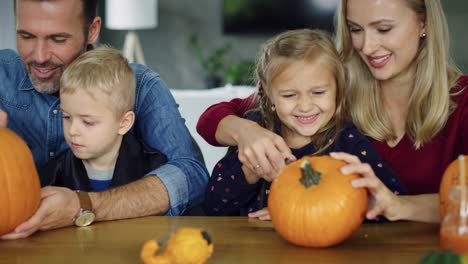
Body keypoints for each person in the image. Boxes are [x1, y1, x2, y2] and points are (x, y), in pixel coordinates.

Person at [197, 0, 467, 222]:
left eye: (383, 29)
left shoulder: (462, 100)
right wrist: (246, 131)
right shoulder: (330, 88)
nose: (366, 46)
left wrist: (400, 206)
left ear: (424, 23)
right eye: (355, 29)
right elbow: (212, 119)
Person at [0, 0, 208, 239]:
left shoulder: (139, 86)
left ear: (92, 30)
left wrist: (86, 205)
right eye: (26, 36)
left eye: (58, 39)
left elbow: (191, 175)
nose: (39, 56)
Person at [202, 29, 407, 219]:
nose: (305, 106)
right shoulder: (255, 129)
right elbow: (213, 206)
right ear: (268, 91)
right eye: (289, 95)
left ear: (338, 87)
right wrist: (249, 172)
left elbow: (389, 204)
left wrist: (300, 213)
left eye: (318, 92)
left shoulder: (348, 142)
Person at [40, 47, 167, 193]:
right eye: (66, 117)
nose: (72, 130)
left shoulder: (155, 169)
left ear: (124, 123)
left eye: (88, 122)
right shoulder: (54, 172)